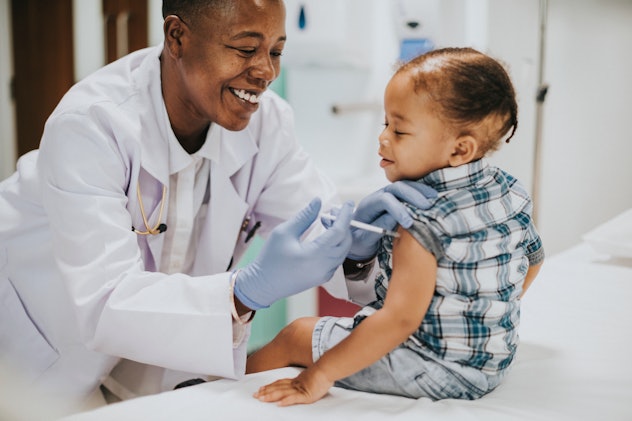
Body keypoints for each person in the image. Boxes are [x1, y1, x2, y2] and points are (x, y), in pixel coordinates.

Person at [0, 0, 435, 414]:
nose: (265, 71)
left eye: (276, 51)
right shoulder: (93, 125)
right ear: (177, 37)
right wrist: (242, 294)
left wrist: (355, 254)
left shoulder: (267, 125)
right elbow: (106, 302)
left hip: (149, 361)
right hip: (34, 350)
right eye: (246, 49)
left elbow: (316, 224)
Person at [246, 47, 545, 406]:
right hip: (492, 363)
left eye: (399, 130)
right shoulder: (509, 190)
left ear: (460, 149)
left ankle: (216, 386)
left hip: (433, 370)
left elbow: (398, 321)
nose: (383, 137)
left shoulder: (420, 221)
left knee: (296, 334)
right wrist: (483, 311)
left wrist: (316, 376)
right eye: (386, 123)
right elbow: (534, 260)